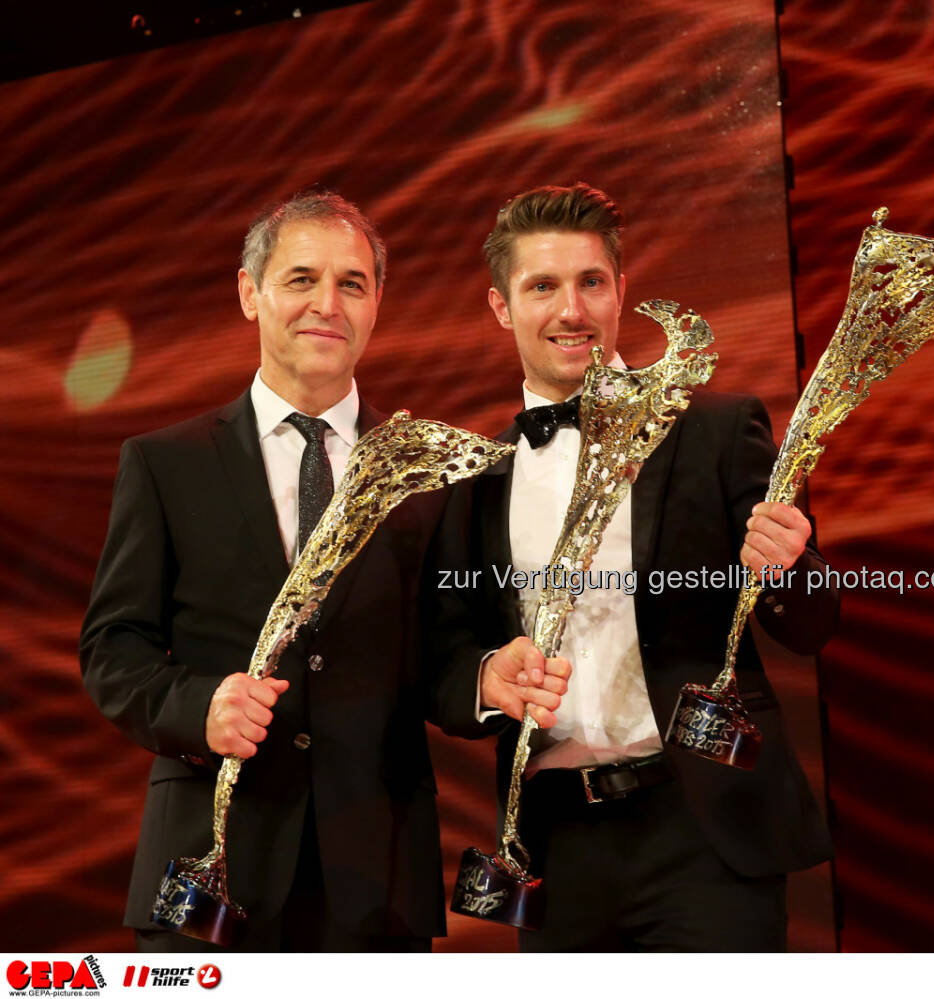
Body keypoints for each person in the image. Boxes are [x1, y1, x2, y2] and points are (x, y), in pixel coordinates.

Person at [79, 190, 568, 952]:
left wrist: (483, 678)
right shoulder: (165, 464)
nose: (326, 304)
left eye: (351, 282)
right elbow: (113, 648)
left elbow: (441, 655)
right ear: (251, 293)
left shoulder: (429, 474)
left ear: (377, 303)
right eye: (300, 279)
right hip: (210, 873)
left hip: (376, 877)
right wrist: (196, 704)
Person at [444, 182, 839, 951]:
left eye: (591, 282)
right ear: (501, 307)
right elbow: (445, 650)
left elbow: (812, 624)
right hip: (557, 849)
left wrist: (791, 566)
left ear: (621, 290)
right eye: (543, 287)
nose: (572, 310)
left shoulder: (718, 430)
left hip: (705, 829)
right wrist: (487, 676)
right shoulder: (476, 477)